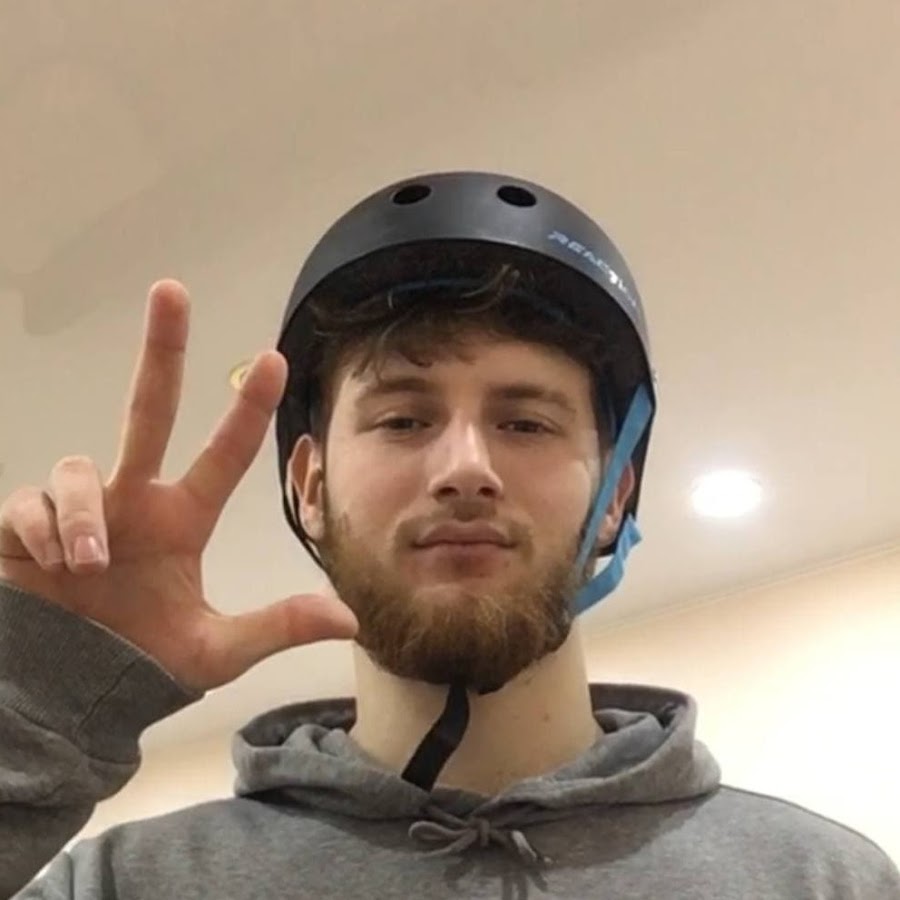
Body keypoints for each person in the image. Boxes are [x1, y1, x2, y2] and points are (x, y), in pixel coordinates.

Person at [0, 172, 896, 899]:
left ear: (615, 495)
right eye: (402, 420)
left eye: (526, 423)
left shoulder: (823, 882)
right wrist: (37, 699)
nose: (466, 468)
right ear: (309, 486)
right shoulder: (123, 886)